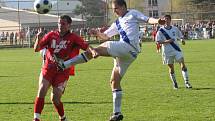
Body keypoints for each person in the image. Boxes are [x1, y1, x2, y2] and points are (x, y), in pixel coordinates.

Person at [54, 0, 165, 121]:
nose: (114, 11)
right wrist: (97, 33)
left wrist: (157, 21)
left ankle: (65, 64)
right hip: (129, 55)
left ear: (123, 6)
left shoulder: (132, 13)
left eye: (116, 8)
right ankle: (117, 113)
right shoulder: (117, 22)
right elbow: (105, 36)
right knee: (114, 81)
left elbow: (148, 19)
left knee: (99, 49)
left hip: (128, 47)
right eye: (113, 9)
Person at [33, 15, 92, 121]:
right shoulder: (51, 35)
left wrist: (95, 51)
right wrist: (38, 38)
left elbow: (87, 47)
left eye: (63, 23)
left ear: (69, 25)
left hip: (63, 72)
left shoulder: (74, 38)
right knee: (41, 90)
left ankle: (63, 118)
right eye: (59, 23)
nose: (60, 25)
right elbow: (36, 49)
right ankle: (36, 118)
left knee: (55, 99)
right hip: (48, 68)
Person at [155, 15, 192, 89]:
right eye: (165, 20)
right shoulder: (160, 31)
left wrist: (182, 40)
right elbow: (157, 41)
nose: (166, 21)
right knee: (171, 68)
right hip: (167, 52)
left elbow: (180, 36)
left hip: (176, 49)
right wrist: (167, 41)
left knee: (182, 64)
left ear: (170, 20)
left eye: (167, 19)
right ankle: (175, 83)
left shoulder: (175, 28)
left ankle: (187, 82)